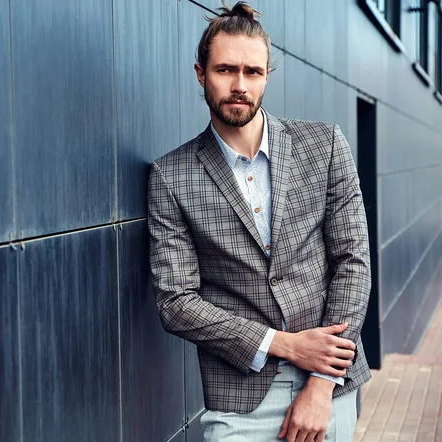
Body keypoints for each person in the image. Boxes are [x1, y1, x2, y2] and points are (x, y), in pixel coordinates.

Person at [147, 3, 372, 441]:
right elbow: (175, 301)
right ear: (200, 74)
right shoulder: (171, 176)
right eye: (225, 70)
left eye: (253, 72)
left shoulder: (324, 145)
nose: (239, 86)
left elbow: (353, 262)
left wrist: (322, 384)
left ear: (267, 74)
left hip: (330, 391)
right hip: (239, 400)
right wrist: (284, 344)